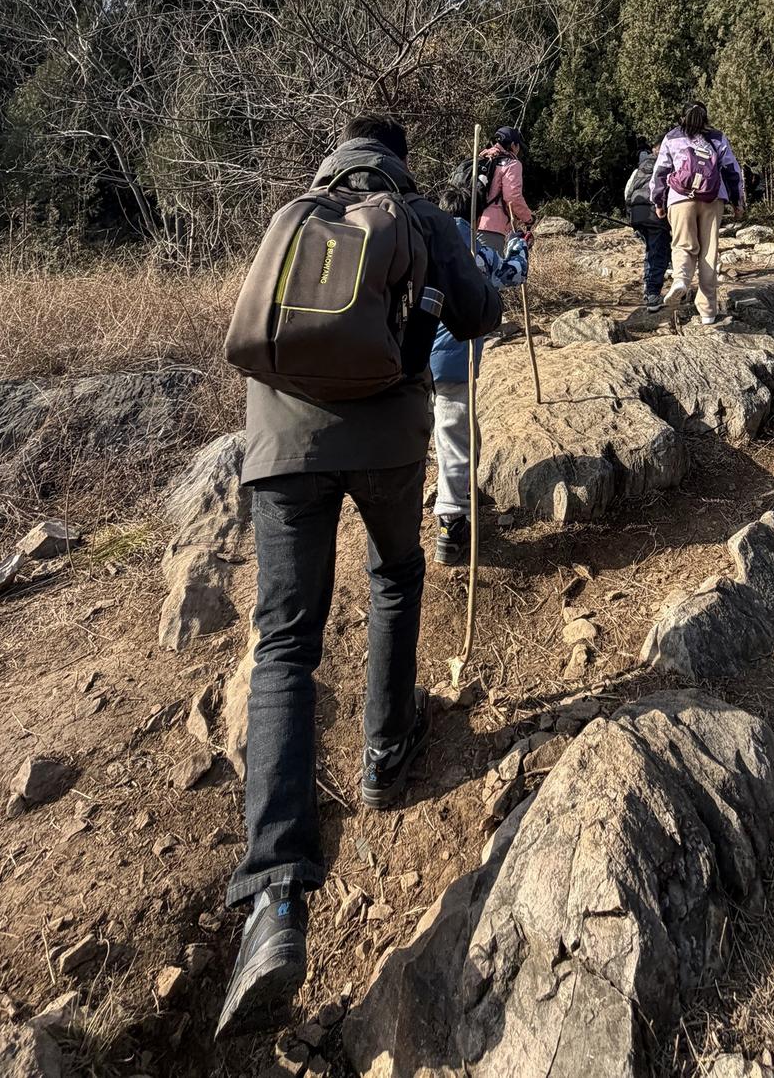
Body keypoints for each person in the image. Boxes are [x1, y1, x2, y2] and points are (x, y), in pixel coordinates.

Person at [217, 114, 503, 1040]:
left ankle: (273, 900)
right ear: (400, 158)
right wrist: (483, 267)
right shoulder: (422, 218)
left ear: (337, 154)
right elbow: (478, 317)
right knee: (394, 576)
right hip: (387, 441)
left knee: (286, 645)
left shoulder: (295, 213)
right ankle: (386, 754)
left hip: (281, 447)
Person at [429, 185, 529, 565]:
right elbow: (513, 273)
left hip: (413, 361)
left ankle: (453, 503)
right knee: (456, 437)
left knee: (447, 433)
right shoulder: (473, 249)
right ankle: (451, 526)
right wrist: (519, 244)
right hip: (455, 360)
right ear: (472, 217)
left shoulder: (422, 240)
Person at [651, 102, 744, 325]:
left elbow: (660, 172)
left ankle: (681, 281)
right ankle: (708, 312)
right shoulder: (717, 137)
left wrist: (659, 201)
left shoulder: (672, 137)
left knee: (683, 245)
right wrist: (737, 201)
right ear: (705, 118)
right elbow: (732, 170)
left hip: (680, 198)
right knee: (708, 252)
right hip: (712, 198)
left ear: (682, 117)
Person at [624, 142, 671, 310]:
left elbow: (628, 192)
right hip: (655, 214)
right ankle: (652, 295)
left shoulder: (640, 168)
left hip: (637, 216)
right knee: (658, 253)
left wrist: (631, 215)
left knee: (652, 251)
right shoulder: (667, 165)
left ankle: (649, 287)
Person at [477, 126, 533, 252]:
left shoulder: (480, 160)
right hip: (492, 228)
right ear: (513, 145)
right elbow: (513, 197)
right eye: (518, 147)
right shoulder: (512, 164)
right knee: (489, 269)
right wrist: (528, 218)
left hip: (467, 224)